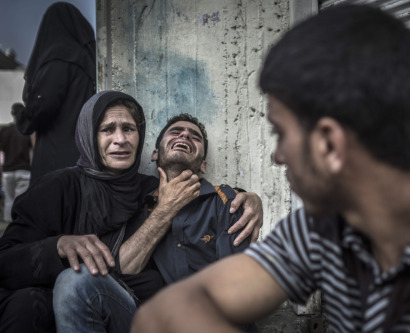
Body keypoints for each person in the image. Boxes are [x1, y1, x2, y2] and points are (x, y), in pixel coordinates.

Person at [131, 4, 410, 333]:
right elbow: (163, 313)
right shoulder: (323, 228)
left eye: (281, 134)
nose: (277, 156)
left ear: (329, 144)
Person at [0, 91, 262, 333]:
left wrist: (246, 198)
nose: (120, 140)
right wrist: (57, 245)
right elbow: (8, 259)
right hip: (69, 306)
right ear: (88, 135)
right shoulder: (59, 187)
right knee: (71, 283)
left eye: (128, 129)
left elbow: (196, 196)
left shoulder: (151, 191)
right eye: (107, 130)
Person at [16, 2, 96, 185]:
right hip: (83, 154)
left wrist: (22, 115)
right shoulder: (88, 63)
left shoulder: (59, 58)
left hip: (55, 157)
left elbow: (44, 105)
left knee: (51, 206)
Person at [0, 103, 31, 222]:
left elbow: (1, 152)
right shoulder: (26, 131)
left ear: (12, 113)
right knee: (21, 202)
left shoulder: (5, 131)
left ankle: (8, 229)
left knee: (9, 200)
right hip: (24, 170)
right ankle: (19, 226)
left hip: (8, 170)